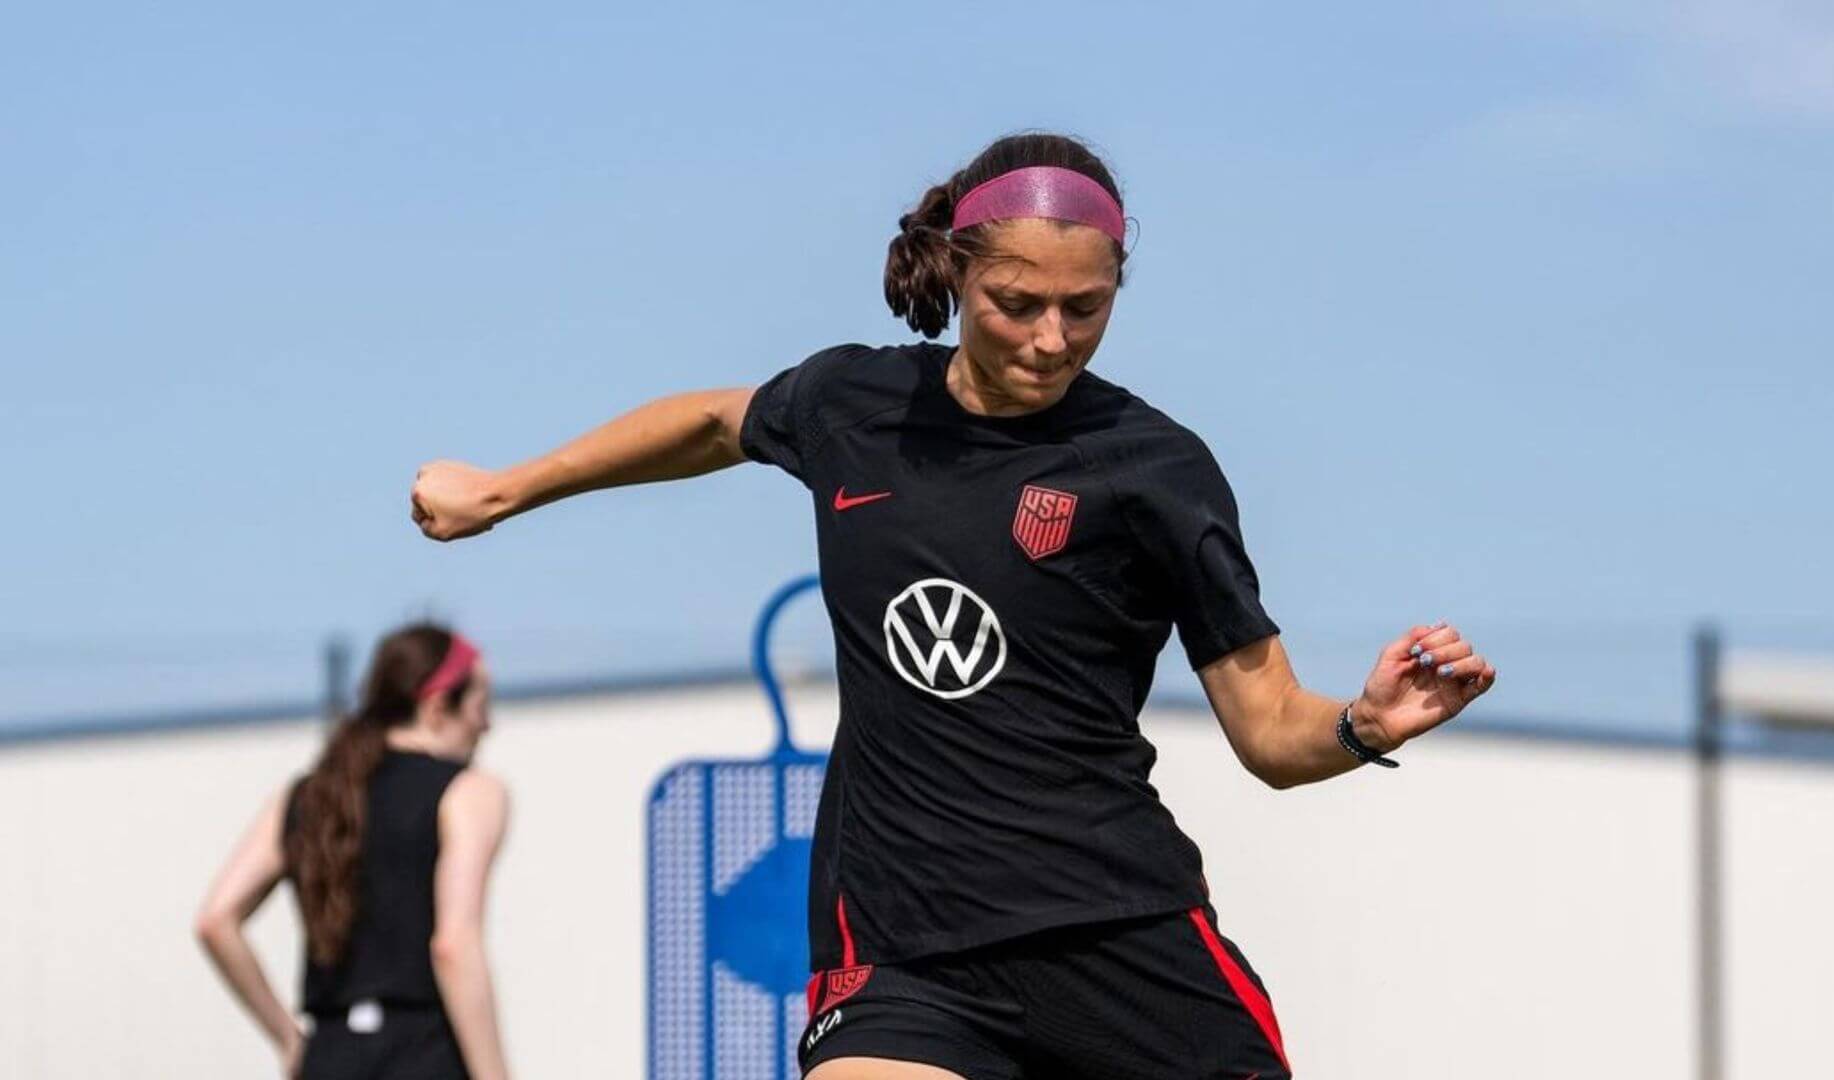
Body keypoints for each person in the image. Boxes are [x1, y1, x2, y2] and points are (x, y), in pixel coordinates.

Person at [410, 133, 1496, 1079]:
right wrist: (505, 489)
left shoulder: (1157, 469)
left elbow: (1269, 730)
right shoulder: (853, 406)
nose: (1052, 338)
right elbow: (706, 422)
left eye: (1087, 307)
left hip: (1118, 932)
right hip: (900, 940)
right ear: (957, 274)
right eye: (1016, 305)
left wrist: (1363, 723)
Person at [195, 624, 512, 1080]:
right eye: (481, 704)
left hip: (330, 1056)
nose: (488, 725)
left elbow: (215, 920)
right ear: (438, 706)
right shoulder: (469, 793)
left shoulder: (308, 796)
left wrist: (288, 1038)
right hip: (422, 1054)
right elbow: (453, 947)